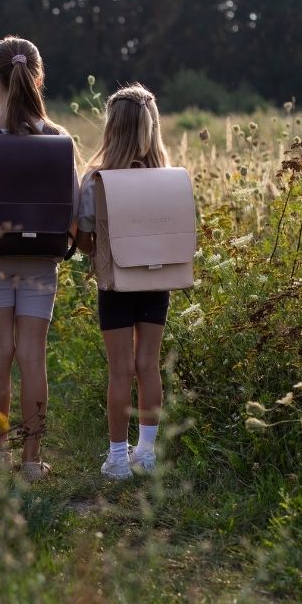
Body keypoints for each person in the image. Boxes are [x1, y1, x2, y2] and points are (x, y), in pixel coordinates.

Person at [0, 36, 77, 482]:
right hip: (42, 261)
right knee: (32, 356)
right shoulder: (61, 140)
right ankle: (31, 461)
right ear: (39, 79)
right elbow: (74, 209)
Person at [75, 83, 172, 478]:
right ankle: (146, 453)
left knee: (120, 369)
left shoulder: (96, 180)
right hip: (157, 280)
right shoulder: (168, 178)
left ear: (112, 128)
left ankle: (117, 458)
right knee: (149, 364)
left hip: (115, 283)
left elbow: (84, 239)